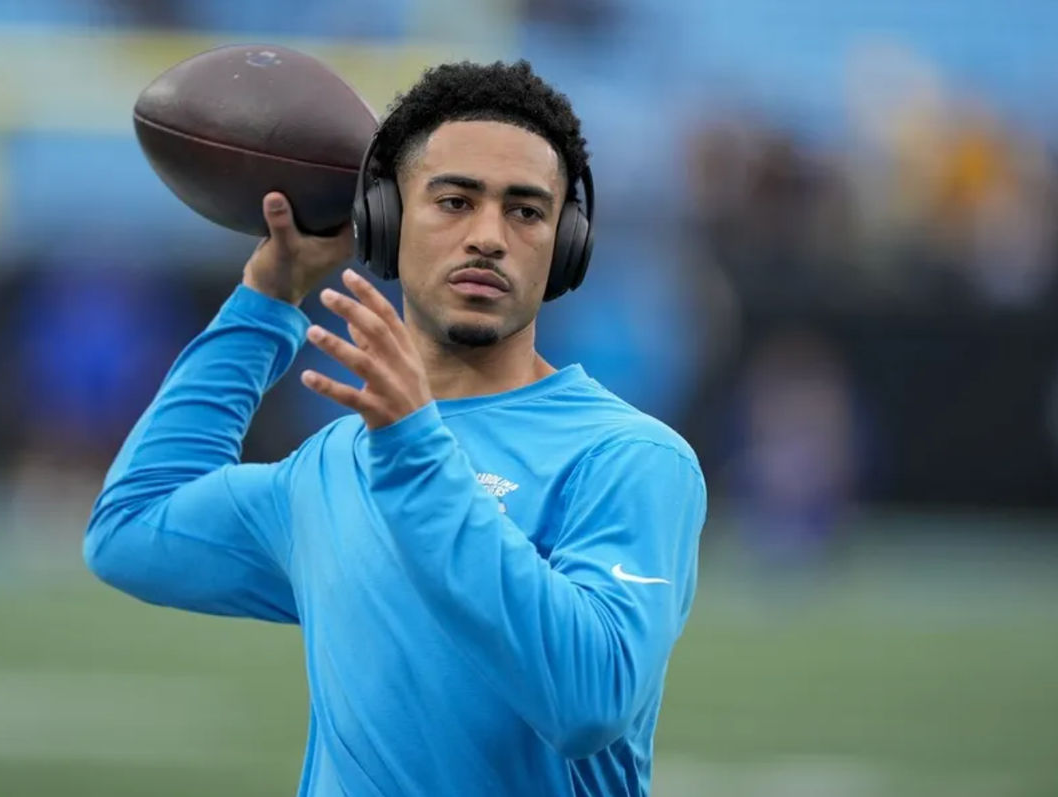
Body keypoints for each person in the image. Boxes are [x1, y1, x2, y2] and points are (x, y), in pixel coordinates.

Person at [85, 60, 706, 796]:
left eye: (526, 211)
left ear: (566, 244)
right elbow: (130, 526)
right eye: (454, 200)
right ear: (384, 220)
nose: (489, 237)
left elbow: (590, 701)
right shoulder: (334, 463)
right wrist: (264, 301)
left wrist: (417, 450)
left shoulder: (631, 458)